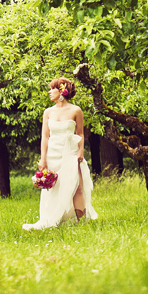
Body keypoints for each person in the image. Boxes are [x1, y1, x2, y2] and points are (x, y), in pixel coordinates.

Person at [22, 77, 98, 230]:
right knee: (53, 187)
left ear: (62, 90)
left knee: (77, 186)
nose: (49, 92)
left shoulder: (76, 110)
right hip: (53, 153)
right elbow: (45, 136)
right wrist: (43, 159)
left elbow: (80, 133)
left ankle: (82, 222)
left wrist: (80, 150)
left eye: (52, 89)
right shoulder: (48, 112)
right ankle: (52, 218)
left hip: (70, 152)